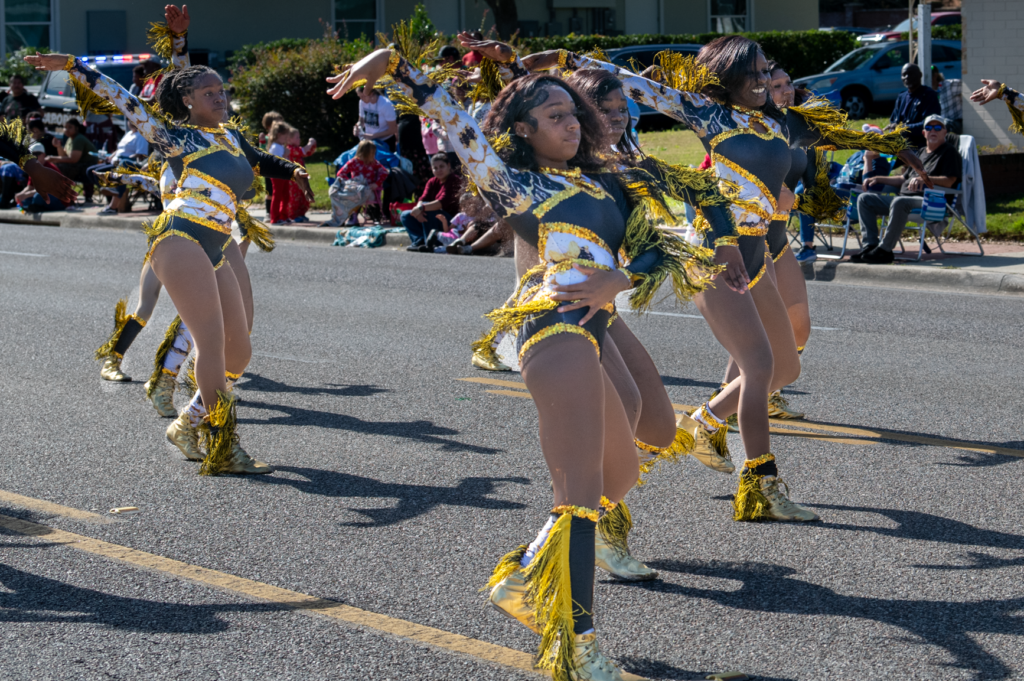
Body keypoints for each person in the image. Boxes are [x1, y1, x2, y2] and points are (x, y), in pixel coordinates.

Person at [329, 47, 717, 681]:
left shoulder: (609, 180)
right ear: (522, 130)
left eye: (574, 113)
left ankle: (524, 576)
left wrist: (617, 279)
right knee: (580, 498)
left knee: (619, 474)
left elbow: (659, 250)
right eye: (555, 116)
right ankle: (577, 645)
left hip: (595, 329)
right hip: (553, 331)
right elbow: (455, 121)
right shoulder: (517, 184)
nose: (571, 124)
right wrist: (397, 67)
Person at [27, 4, 312, 476]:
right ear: (188, 101)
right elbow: (124, 99)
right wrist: (75, 66)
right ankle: (223, 447)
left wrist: (294, 170)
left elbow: (260, 159)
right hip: (180, 238)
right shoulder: (175, 137)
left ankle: (187, 422)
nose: (220, 97)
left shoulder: (230, 136)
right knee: (211, 345)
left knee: (239, 350)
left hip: (217, 241)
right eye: (209, 93)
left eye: (222, 90)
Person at [854, 114, 960, 264]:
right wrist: (878, 178)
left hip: (931, 201)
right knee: (864, 199)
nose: (933, 130)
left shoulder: (949, 152)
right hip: (904, 200)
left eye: (938, 127)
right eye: (929, 127)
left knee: (900, 202)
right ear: (924, 133)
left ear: (945, 132)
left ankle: (884, 251)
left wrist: (925, 179)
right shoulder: (921, 152)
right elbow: (903, 179)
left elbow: (950, 181)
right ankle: (870, 247)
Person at [399, 152, 461, 252]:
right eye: (435, 168)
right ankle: (419, 241)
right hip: (433, 216)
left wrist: (421, 208)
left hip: (451, 221)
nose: (438, 170)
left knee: (429, 211)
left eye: (441, 166)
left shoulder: (454, 180)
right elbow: (422, 199)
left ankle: (432, 243)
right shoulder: (432, 181)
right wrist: (418, 211)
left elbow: (441, 202)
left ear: (449, 166)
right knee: (405, 215)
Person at [87, 120, 150, 215]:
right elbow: (119, 149)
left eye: (133, 120)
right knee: (91, 171)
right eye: (129, 120)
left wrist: (124, 159)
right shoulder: (128, 133)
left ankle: (113, 204)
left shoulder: (141, 135)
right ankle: (110, 193)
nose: (131, 122)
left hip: (130, 163)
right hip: (116, 162)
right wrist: (111, 157)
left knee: (123, 164)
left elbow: (141, 155)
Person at [324, 139, 388, 227]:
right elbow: (340, 173)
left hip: (368, 190)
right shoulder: (354, 162)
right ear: (365, 153)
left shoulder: (374, 163)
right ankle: (346, 217)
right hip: (355, 189)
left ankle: (353, 216)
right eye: (372, 153)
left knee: (357, 194)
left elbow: (384, 172)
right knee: (338, 193)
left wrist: (376, 184)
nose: (374, 155)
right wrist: (349, 183)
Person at [885, 63, 941, 149]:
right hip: (900, 146)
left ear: (920, 75)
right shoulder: (901, 97)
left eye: (911, 73)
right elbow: (893, 121)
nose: (907, 77)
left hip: (920, 146)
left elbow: (929, 124)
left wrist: (904, 128)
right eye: (904, 75)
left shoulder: (929, 95)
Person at [45, 118, 97, 203]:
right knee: (56, 166)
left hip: (88, 167)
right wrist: (58, 146)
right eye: (65, 127)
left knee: (61, 168)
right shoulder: (70, 139)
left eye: (70, 127)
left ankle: (67, 198)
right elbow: (64, 156)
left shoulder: (79, 138)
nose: (66, 129)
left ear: (76, 128)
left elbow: (73, 159)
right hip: (78, 166)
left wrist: (52, 158)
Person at [15, 142, 70, 212]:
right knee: (25, 199)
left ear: (43, 155)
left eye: (36, 154)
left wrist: (26, 195)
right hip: (45, 196)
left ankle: (37, 207)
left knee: (38, 196)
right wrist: (21, 194)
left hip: (60, 200)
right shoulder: (33, 169)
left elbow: (47, 189)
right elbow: (30, 187)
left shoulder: (50, 168)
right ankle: (36, 206)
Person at [284, 127, 316, 222]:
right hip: (294, 178)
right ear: (289, 139)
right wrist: (310, 143)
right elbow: (303, 151)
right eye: (297, 137)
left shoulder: (296, 148)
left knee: (303, 195)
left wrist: (313, 145)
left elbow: (308, 152)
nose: (299, 139)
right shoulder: (289, 149)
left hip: (301, 177)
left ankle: (301, 213)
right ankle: (293, 215)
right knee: (294, 196)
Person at [354, 85, 397, 151]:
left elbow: (393, 130)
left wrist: (373, 136)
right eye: (359, 96)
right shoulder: (362, 102)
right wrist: (357, 127)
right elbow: (361, 121)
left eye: (363, 96)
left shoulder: (386, 104)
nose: (361, 99)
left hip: (386, 142)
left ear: (371, 94)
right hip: (370, 142)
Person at [932, 67, 963, 134]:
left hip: (954, 123)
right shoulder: (926, 92)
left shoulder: (949, 85)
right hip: (938, 124)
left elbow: (968, 87)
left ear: (935, 75)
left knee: (945, 125)